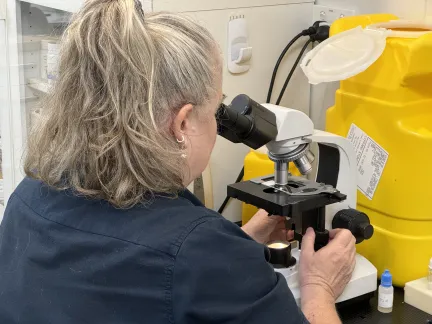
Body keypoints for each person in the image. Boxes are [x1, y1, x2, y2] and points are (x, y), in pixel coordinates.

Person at [0, 1, 356, 323]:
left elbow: (124, 277)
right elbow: (176, 265)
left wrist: (237, 243)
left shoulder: (28, 195)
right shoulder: (197, 254)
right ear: (183, 124)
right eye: (216, 109)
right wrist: (319, 287)